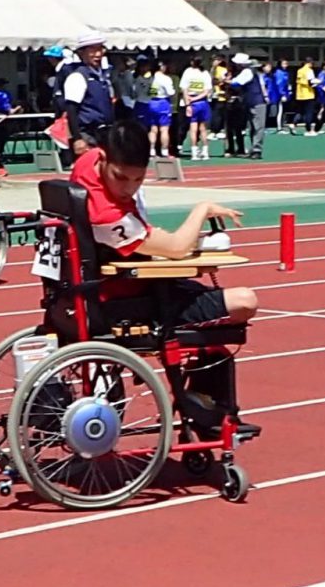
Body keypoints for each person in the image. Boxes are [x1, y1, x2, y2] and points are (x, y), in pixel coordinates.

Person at [69, 121, 260, 440]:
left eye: (138, 179)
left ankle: (205, 402)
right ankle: (203, 403)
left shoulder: (85, 164)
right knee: (245, 303)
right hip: (133, 300)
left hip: (118, 282)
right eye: (121, 177)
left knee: (208, 312)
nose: (128, 188)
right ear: (103, 158)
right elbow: (175, 248)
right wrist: (203, 209)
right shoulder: (104, 213)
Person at [55, 32, 115, 165]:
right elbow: (71, 109)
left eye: (100, 49)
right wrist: (77, 138)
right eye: (92, 50)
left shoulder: (103, 76)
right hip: (87, 133)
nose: (98, 54)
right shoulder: (78, 77)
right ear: (82, 53)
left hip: (104, 133)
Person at [179, 57, 213, 160]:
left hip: (192, 101)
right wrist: (196, 98)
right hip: (202, 102)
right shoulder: (205, 73)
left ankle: (194, 153)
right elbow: (207, 91)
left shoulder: (188, 72)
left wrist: (189, 103)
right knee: (203, 128)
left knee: (193, 129)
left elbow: (184, 89)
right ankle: (205, 152)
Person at [293, 59, 317, 134]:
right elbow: (311, 82)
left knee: (300, 111)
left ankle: (293, 124)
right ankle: (309, 129)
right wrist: (317, 82)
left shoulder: (299, 71)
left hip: (300, 95)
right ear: (309, 63)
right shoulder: (309, 70)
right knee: (309, 112)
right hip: (308, 94)